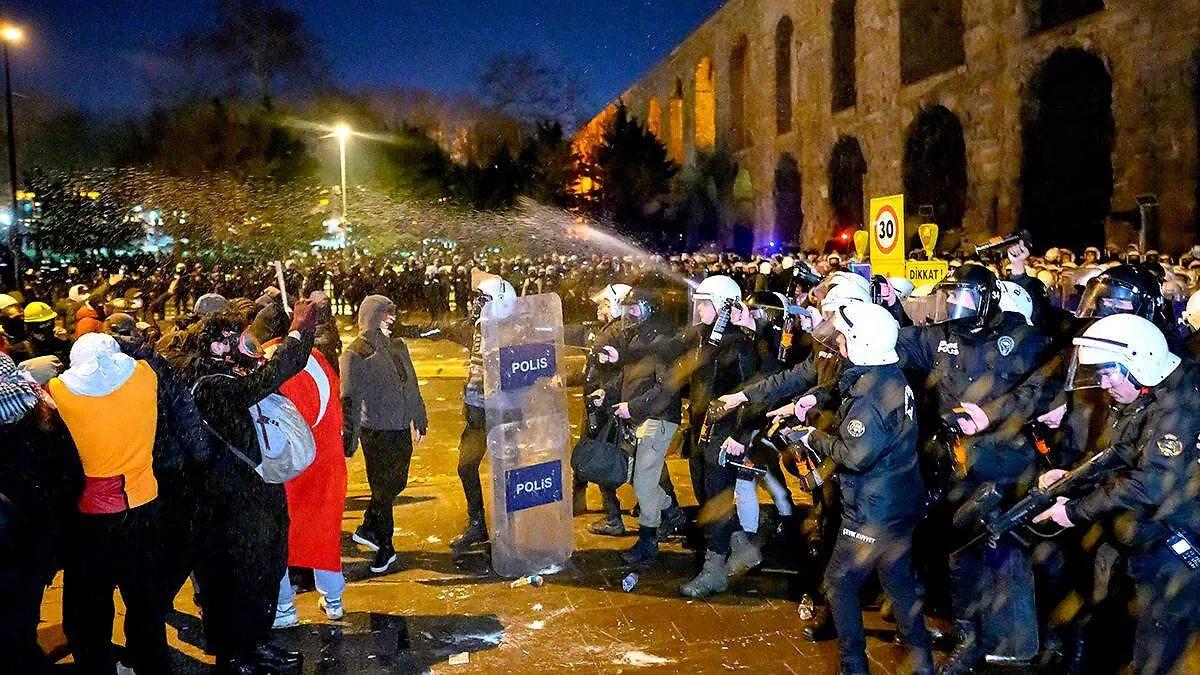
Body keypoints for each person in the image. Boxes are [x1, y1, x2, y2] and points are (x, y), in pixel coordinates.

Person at [767, 302, 933, 675]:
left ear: (859, 342)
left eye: (843, 335)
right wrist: (811, 414)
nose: (838, 340)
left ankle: (853, 667)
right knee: (898, 578)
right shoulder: (889, 376)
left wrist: (813, 437)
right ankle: (922, 664)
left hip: (872, 509)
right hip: (900, 500)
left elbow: (854, 455)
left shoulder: (869, 395)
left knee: (838, 583)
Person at [1032, 314, 1200, 675]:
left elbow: (1149, 484)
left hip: (1178, 547)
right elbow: (1121, 452)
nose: (1103, 384)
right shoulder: (1155, 392)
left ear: (1140, 362)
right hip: (1154, 539)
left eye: (1109, 373)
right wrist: (1073, 480)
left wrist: (1075, 511)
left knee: (1156, 655)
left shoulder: (1178, 406)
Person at [188, 301, 318, 674]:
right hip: (230, 500)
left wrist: (299, 333)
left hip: (258, 489)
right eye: (232, 338)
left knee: (268, 566)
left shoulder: (230, 375)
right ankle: (236, 655)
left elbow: (277, 367)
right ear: (215, 348)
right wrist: (299, 329)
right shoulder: (210, 386)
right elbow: (276, 372)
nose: (245, 343)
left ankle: (258, 642)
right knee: (240, 578)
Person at [48, 333, 174, 674]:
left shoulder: (59, 392)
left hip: (93, 518)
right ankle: (150, 663)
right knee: (146, 602)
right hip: (146, 506)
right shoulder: (145, 377)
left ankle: (97, 663)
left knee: (88, 605)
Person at [0, 353, 83, 675]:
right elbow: (72, 478)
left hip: (21, 541)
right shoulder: (45, 420)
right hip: (34, 543)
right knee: (22, 612)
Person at [342, 295, 427, 574]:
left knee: (396, 484)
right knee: (383, 488)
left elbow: (411, 383)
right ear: (371, 317)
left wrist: (419, 417)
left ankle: (369, 525)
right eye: (385, 314)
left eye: (392, 313)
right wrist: (350, 438)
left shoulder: (397, 346)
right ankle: (385, 546)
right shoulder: (356, 352)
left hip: (400, 427)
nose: (391, 318)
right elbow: (350, 399)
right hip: (375, 431)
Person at [608, 282, 686, 566]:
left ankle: (648, 540)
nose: (630, 314)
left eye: (635, 308)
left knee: (643, 483)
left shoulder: (663, 339)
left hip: (658, 419)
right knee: (638, 478)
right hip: (642, 417)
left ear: (650, 309)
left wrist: (633, 406)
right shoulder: (644, 335)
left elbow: (666, 388)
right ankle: (672, 513)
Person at [573, 283, 631, 536]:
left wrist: (604, 393)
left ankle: (614, 518)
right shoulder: (614, 330)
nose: (599, 307)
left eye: (604, 303)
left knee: (601, 459)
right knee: (599, 456)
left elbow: (623, 372)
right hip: (604, 404)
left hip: (606, 407)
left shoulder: (615, 332)